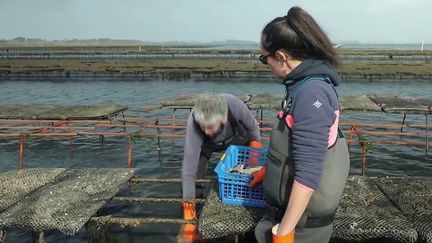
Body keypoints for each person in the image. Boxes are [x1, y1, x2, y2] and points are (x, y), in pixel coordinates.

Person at [250, 6, 350, 243]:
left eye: (266, 58)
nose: (267, 65)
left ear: (282, 56)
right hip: (290, 216)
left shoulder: (311, 94)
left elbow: (307, 175)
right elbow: (301, 148)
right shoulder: (301, 87)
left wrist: (284, 233)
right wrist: (271, 170)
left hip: (301, 228)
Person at [179, 92, 262, 242]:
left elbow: (254, 131)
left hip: (237, 138)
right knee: (195, 175)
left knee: (249, 176)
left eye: (210, 127)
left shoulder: (234, 105)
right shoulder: (194, 119)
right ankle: (195, 213)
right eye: (203, 127)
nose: (206, 131)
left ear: (223, 118)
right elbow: (188, 167)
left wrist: (252, 162)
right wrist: (188, 217)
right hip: (207, 145)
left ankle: (248, 209)